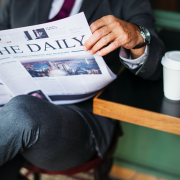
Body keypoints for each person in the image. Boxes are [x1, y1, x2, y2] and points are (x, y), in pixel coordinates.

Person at [0, 0, 165, 179]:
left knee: (21, 113)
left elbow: (156, 67)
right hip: (9, 103)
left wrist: (138, 36)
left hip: (81, 118)